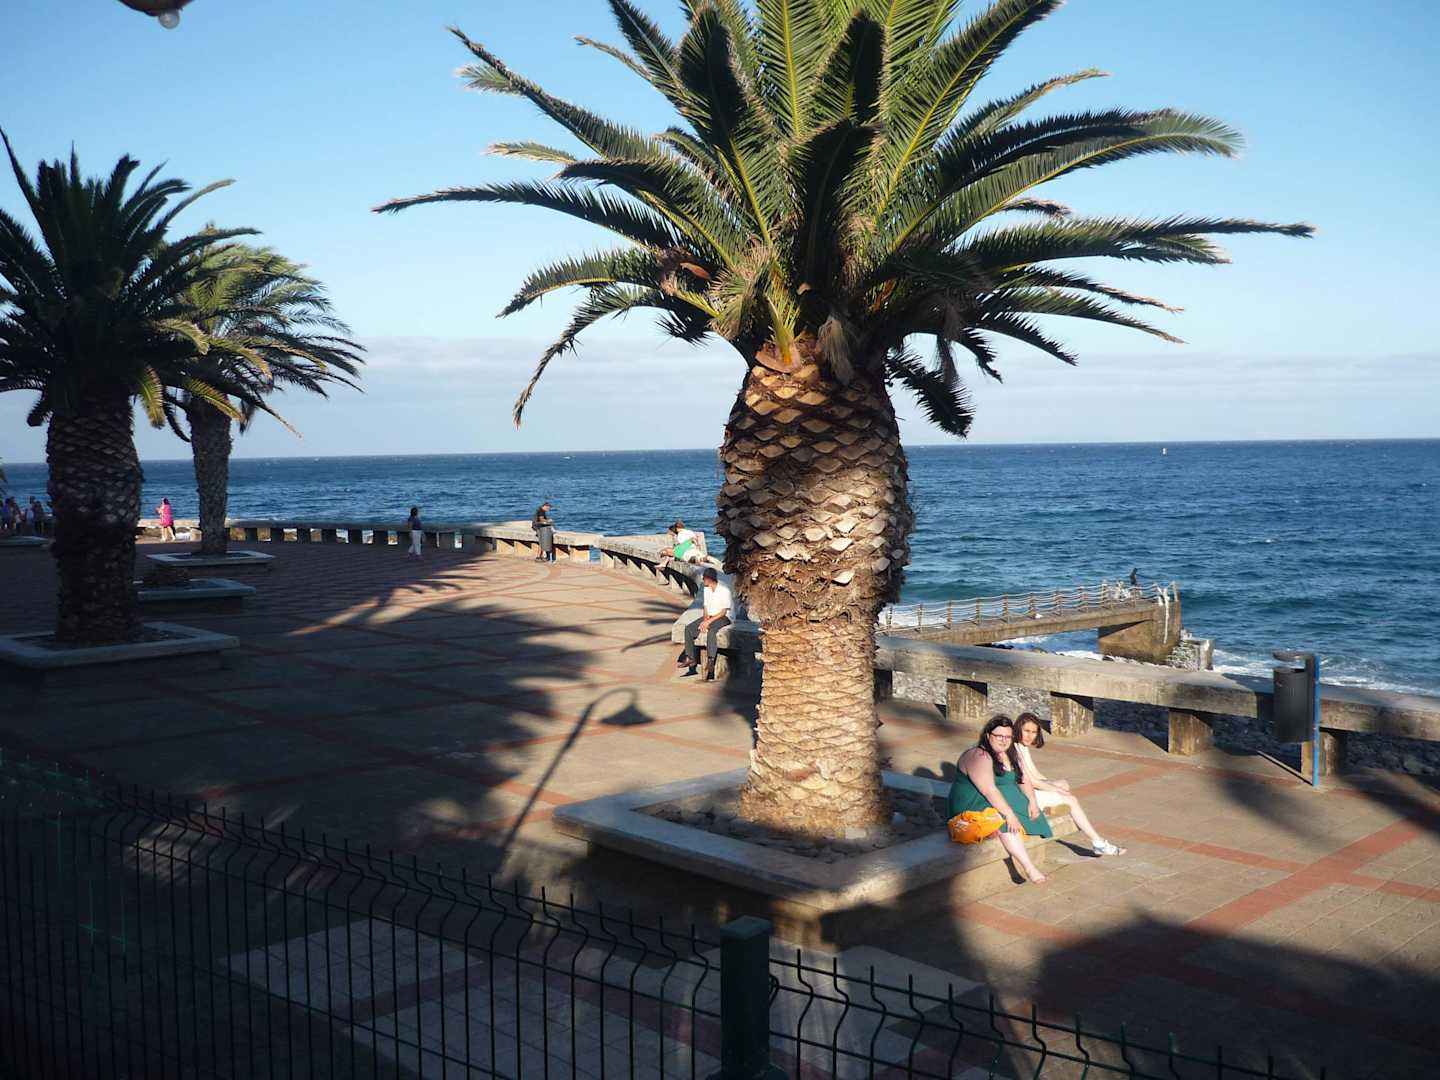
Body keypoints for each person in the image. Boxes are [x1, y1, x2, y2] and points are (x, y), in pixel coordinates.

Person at [948, 715, 1052, 884]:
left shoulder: (1010, 753)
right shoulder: (979, 756)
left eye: (1008, 737)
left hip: (989, 800)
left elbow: (1023, 779)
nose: (1004, 740)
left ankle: (996, 831)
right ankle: (1029, 868)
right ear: (988, 735)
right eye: (999, 736)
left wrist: (1032, 802)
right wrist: (1009, 814)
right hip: (970, 805)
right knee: (1004, 819)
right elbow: (989, 790)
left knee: (1029, 812)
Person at [1015, 713, 1125, 857]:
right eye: (1027, 731)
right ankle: (1099, 843)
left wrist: (1056, 788)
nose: (1030, 736)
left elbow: (1035, 773)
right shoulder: (1014, 748)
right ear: (1018, 728)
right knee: (1071, 800)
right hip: (1022, 795)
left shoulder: (1022, 745)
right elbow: (1032, 781)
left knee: (1064, 784)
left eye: (1034, 732)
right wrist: (1057, 791)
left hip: (1027, 788)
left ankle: (1047, 810)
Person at [679, 567, 731, 680]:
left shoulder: (724, 589)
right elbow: (706, 607)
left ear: (709, 579)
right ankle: (690, 658)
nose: (703, 580)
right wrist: (704, 620)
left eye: (704, 578)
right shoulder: (706, 589)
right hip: (710, 616)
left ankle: (711, 660)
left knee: (712, 630)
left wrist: (708, 622)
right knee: (689, 629)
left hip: (723, 617)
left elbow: (724, 612)